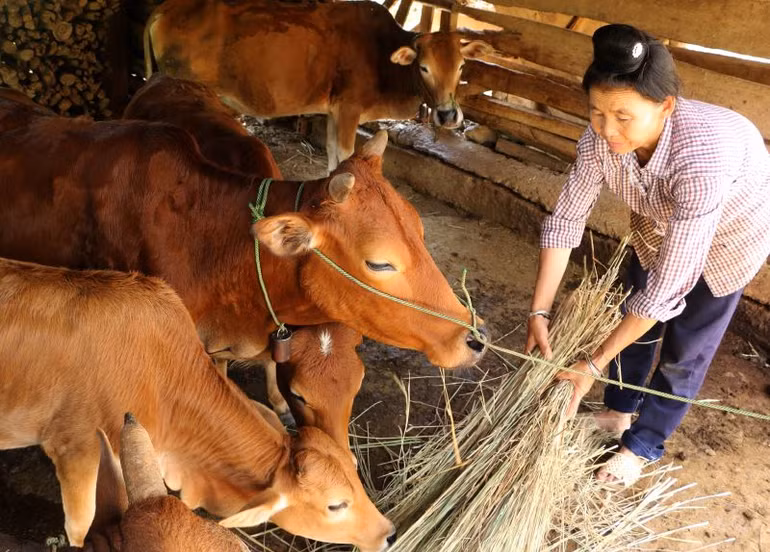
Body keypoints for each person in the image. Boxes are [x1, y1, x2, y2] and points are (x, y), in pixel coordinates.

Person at [525, 23, 770, 486]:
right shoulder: (600, 141)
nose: (607, 130)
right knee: (634, 323)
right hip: (657, 230)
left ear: (666, 106)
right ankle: (619, 412)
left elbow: (663, 294)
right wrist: (539, 310)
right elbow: (565, 222)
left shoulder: (701, 159)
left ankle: (641, 445)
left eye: (623, 116)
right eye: (596, 112)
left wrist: (590, 365)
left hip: (730, 241)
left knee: (684, 351)